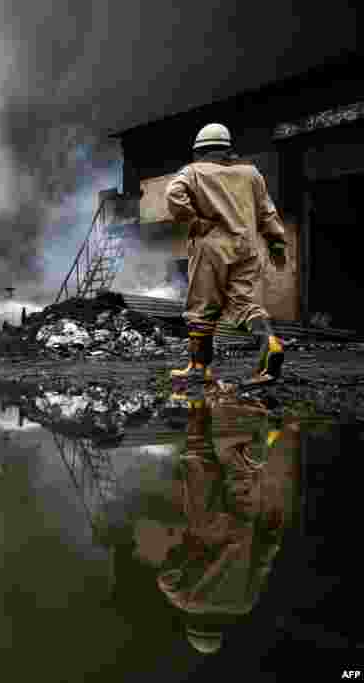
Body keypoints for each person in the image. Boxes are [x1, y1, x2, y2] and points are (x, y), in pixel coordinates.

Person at [157, 397, 286, 655]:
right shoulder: (187, 602)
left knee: (243, 477)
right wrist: (187, 554)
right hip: (206, 527)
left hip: (243, 529)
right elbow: (166, 578)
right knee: (197, 460)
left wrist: (271, 537)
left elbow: (262, 563)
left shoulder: (244, 604)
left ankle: (250, 454)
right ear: (194, 627)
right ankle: (200, 402)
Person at [165, 123, 288, 389]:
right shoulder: (251, 174)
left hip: (211, 246)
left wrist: (194, 221)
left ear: (200, 151)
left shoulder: (193, 172)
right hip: (248, 246)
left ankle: (199, 368)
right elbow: (267, 212)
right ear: (227, 149)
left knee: (203, 306)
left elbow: (173, 195)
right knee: (245, 303)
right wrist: (277, 242)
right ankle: (271, 343)